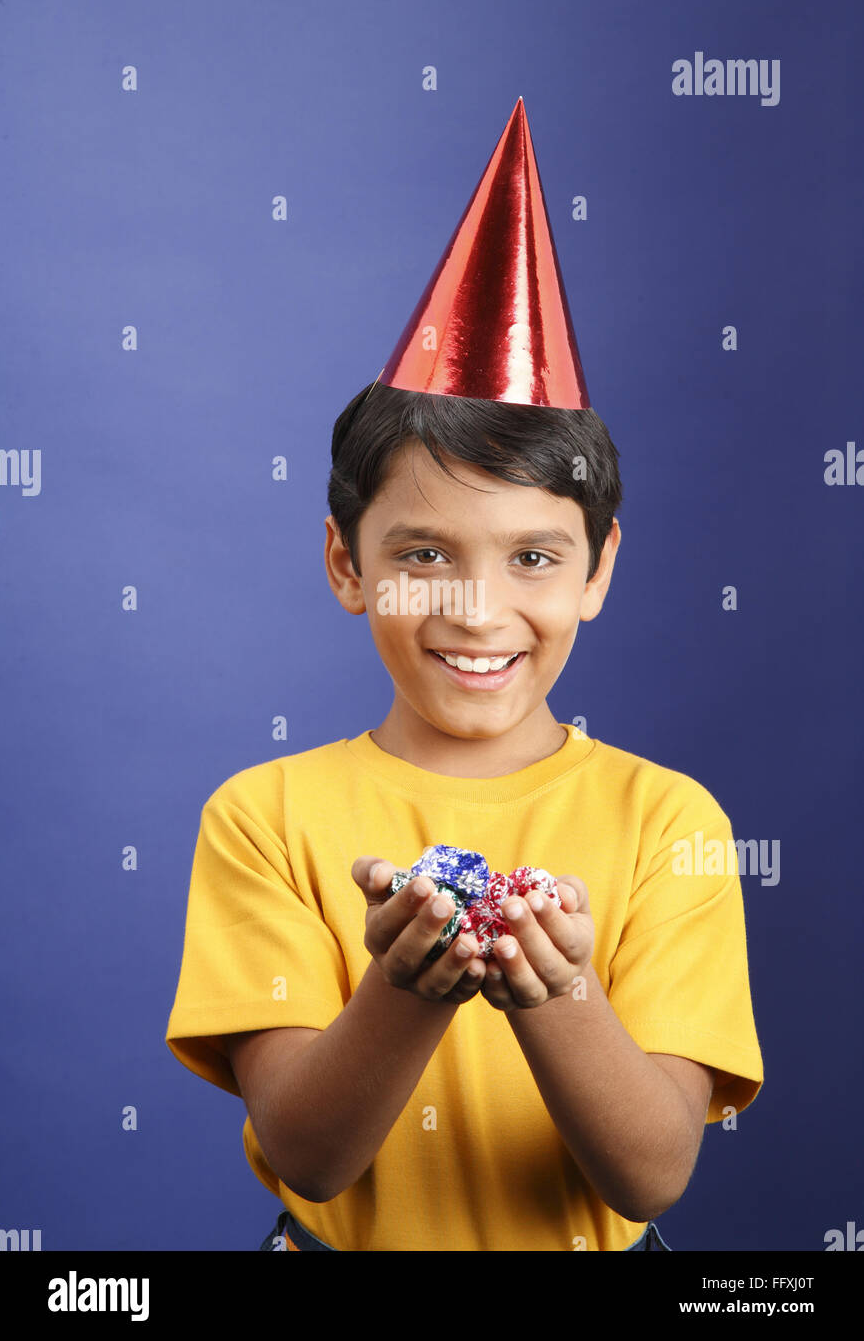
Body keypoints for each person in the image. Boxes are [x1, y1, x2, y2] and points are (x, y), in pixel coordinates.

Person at [165, 98, 763, 1252]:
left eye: (534, 558)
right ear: (347, 562)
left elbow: (649, 1175)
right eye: (422, 553)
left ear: (597, 571)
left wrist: (554, 991)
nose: (475, 608)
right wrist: (408, 984)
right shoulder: (264, 818)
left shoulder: (668, 822)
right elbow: (306, 1154)